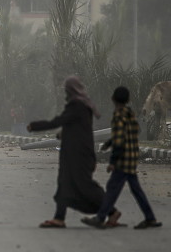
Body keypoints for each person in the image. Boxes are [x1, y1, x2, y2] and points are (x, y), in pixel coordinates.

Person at [27, 76, 119, 228]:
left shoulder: (76, 105)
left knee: (85, 186)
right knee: (64, 184)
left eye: (66, 91)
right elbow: (77, 127)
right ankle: (59, 218)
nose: (65, 94)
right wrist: (64, 133)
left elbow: (57, 122)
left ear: (70, 91)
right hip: (75, 154)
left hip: (79, 155)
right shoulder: (83, 105)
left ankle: (112, 211)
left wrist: (35, 126)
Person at [82, 87, 163, 230]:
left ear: (113, 99)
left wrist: (112, 162)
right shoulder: (129, 114)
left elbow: (119, 141)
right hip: (132, 157)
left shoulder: (118, 115)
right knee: (135, 190)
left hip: (122, 161)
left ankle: (100, 217)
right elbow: (133, 132)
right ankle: (150, 218)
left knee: (112, 188)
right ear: (127, 100)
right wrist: (108, 143)